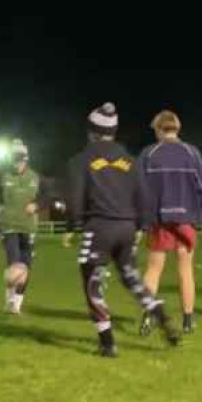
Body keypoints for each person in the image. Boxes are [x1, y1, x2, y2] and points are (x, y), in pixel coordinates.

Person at [65, 103, 180, 357]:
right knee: (130, 277)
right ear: (114, 131)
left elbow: (74, 200)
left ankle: (108, 344)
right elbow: (144, 195)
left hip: (99, 228)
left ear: (91, 131)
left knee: (92, 283)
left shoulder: (80, 160)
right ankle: (158, 311)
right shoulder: (131, 160)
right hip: (127, 228)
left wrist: (72, 225)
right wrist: (140, 225)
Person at [138, 110, 202, 335]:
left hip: (160, 221)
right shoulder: (191, 152)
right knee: (185, 270)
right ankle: (187, 320)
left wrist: (140, 224)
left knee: (154, 269)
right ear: (177, 128)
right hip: (186, 220)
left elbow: (141, 192)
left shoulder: (149, 153)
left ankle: (147, 317)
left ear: (158, 129)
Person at [0, 139, 45, 315]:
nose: (16, 163)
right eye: (13, 160)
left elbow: (47, 196)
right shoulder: (2, 177)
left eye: (19, 160)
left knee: (26, 268)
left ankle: (17, 304)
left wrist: (37, 205)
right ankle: (9, 299)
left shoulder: (35, 177)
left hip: (29, 229)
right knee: (14, 265)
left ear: (26, 159)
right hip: (9, 227)